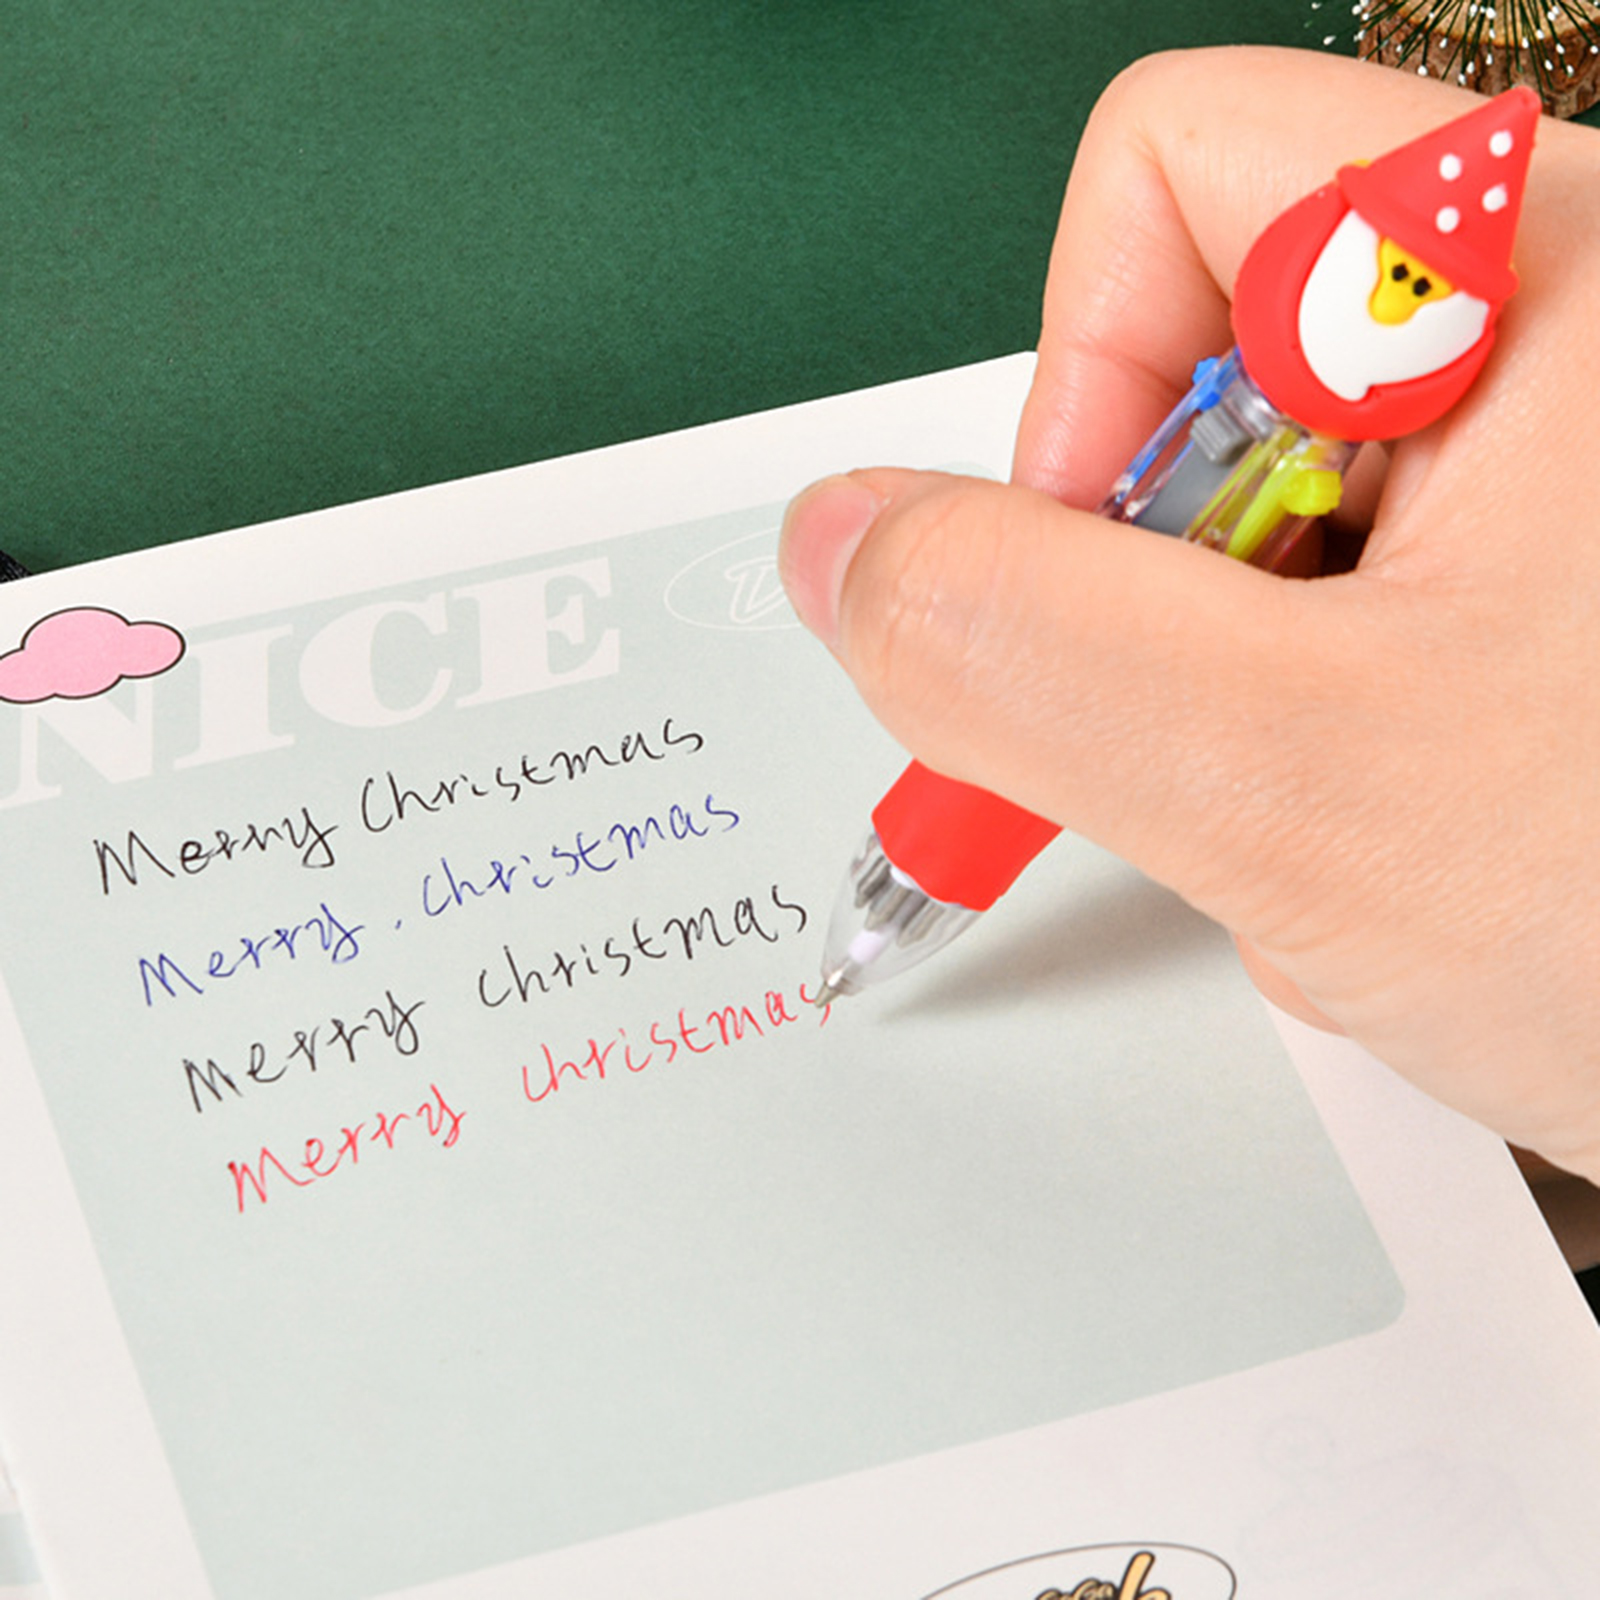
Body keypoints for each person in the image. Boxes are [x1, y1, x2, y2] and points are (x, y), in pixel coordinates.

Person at [778, 46, 1600, 1271]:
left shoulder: (1315, 445)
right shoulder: (1232, 395)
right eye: (1383, 270)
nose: (1388, 304)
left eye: (1420, 291)